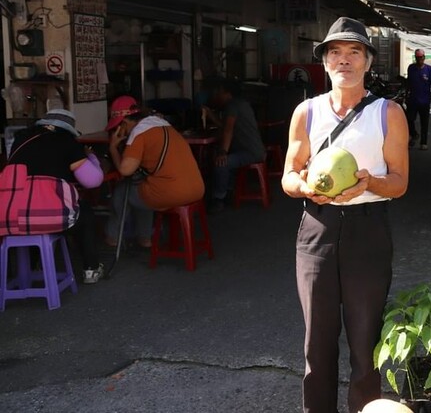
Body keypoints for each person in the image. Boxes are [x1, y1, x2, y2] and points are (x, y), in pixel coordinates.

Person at [282, 17, 409, 413]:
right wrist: (303, 187)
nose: (344, 60)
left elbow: (400, 181)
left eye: (354, 52)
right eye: (335, 52)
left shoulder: (388, 113)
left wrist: (369, 182)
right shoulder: (306, 112)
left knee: (364, 339)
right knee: (317, 342)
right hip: (317, 230)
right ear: (324, 63)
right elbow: (289, 174)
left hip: (367, 230)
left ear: (368, 62)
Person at [9, 109, 105, 283]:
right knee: (84, 213)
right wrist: (91, 157)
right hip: (53, 216)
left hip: (15, 215)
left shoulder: (20, 140)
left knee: (31, 214)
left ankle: (34, 265)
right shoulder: (68, 143)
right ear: (69, 129)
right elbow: (93, 181)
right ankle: (91, 269)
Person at [105, 96, 205, 247]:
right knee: (142, 188)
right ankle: (144, 239)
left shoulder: (139, 133)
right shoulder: (165, 126)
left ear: (123, 123)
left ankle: (112, 237)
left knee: (123, 190)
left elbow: (125, 170)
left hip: (171, 193)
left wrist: (113, 148)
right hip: (197, 189)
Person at [201, 80, 265, 212]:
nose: (216, 95)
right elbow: (225, 126)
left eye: (218, 92)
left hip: (250, 152)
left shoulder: (232, 106)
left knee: (221, 163)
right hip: (254, 150)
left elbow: (228, 130)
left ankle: (219, 199)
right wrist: (210, 114)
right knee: (226, 159)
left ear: (226, 93)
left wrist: (223, 152)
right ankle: (228, 191)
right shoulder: (240, 103)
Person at [406, 48, 431, 150]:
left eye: (421, 57)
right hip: (413, 100)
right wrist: (406, 94)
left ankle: (423, 142)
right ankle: (414, 134)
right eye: (417, 57)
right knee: (409, 119)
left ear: (424, 57)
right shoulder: (411, 68)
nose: (420, 59)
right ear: (415, 58)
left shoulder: (429, 69)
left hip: (424, 101)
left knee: (424, 122)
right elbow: (409, 83)